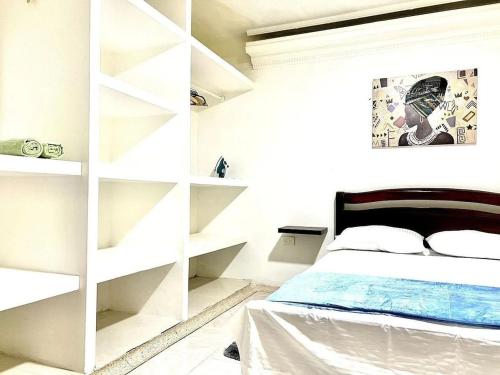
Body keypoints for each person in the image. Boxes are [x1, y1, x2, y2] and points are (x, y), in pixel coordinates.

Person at [399, 76, 454, 146]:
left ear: (422, 113)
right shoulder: (403, 139)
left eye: (408, 114)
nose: (405, 118)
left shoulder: (444, 139)